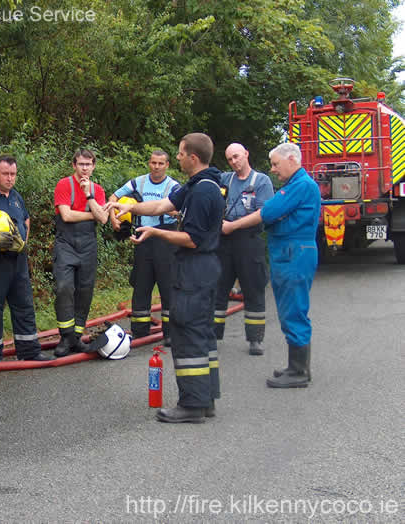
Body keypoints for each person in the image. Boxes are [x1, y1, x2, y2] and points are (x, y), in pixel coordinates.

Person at [105, 133, 225, 423]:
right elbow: (161, 206)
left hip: (195, 270)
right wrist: (130, 207)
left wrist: (157, 232)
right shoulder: (199, 184)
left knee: (188, 333)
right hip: (203, 269)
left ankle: (192, 405)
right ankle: (205, 399)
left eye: (181, 154)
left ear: (193, 157)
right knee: (203, 333)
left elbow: (193, 239)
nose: (178, 158)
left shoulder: (201, 193)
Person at [221, 142, 320, 388]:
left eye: (276, 164)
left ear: (292, 160)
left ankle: (298, 371)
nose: (273, 169)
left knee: (293, 310)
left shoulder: (300, 186)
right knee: (290, 310)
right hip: (291, 251)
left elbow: (268, 211)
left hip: (293, 253)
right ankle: (297, 367)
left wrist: (231, 226)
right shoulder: (296, 185)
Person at [0, 154, 54, 363]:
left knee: (24, 305)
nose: (10, 178)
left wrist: (23, 241)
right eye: (5, 174)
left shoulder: (16, 197)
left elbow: (26, 219)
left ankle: (29, 351)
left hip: (18, 261)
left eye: (13, 174)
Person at [109, 150, 180, 341]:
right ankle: (140, 331)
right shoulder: (138, 182)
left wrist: (170, 210)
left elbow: (181, 209)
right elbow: (113, 198)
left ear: (167, 165)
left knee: (168, 285)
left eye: (160, 163)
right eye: (153, 163)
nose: (156, 167)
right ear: (149, 163)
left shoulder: (174, 186)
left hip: (165, 236)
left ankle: (171, 333)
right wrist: (114, 220)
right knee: (141, 284)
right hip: (142, 237)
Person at [214, 143, 274, 355]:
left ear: (246, 154)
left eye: (237, 157)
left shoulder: (262, 181)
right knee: (218, 288)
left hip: (249, 239)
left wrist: (233, 226)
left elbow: (263, 212)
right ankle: (213, 336)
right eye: (230, 159)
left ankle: (255, 339)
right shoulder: (224, 179)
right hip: (225, 241)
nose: (234, 162)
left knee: (253, 288)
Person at [52, 149, 108, 357]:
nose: (85, 168)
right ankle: (65, 336)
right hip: (66, 243)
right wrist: (91, 214)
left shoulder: (97, 190)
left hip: (88, 245)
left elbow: (102, 219)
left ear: (93, 166)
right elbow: (65, 216)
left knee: (85, 290)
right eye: (81, 164)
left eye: (88, 164)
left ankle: (76, 337)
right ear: (73, 165)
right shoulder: (64, 184)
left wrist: (88, 195)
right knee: (64, 287)